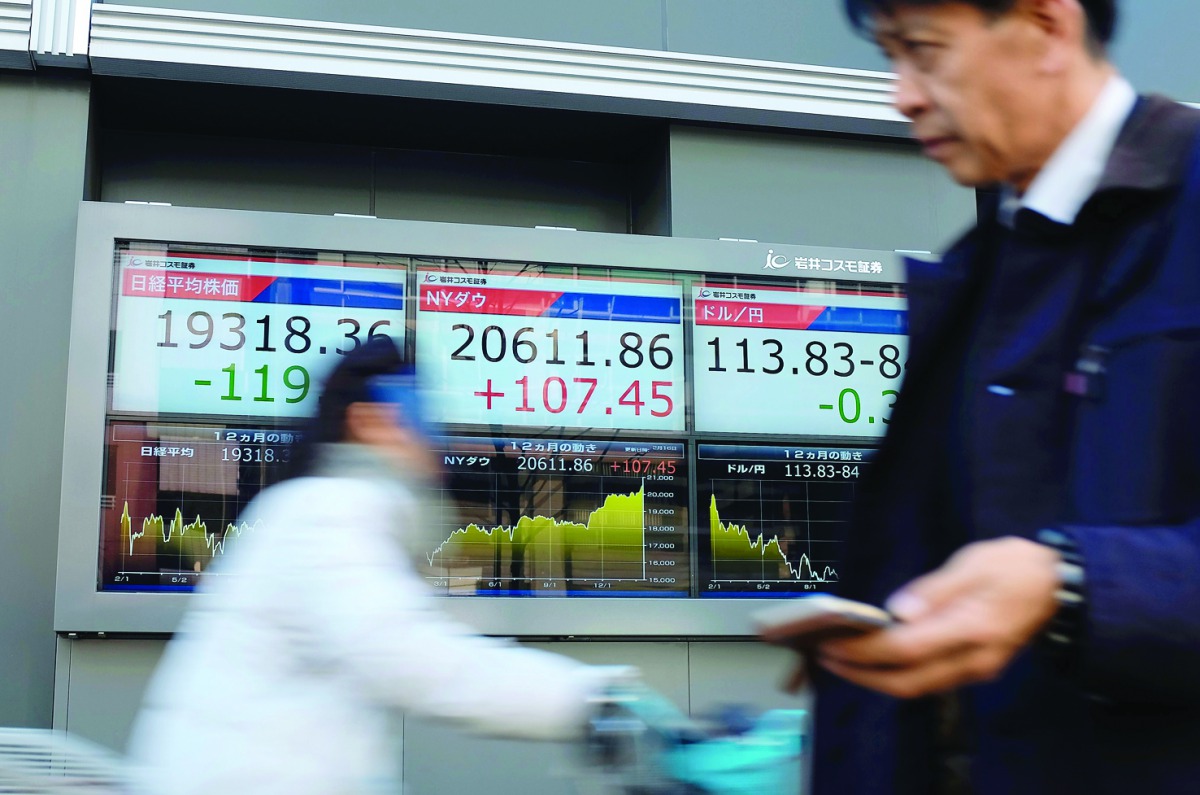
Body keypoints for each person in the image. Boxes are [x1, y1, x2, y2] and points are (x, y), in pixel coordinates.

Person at [797, 1, 1200, 793]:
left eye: (924, 51)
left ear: (1047, 27)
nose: (902, 95)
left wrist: (1071, 582)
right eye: (890, 57)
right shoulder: (976, 278)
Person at [126, 336, 637, 795]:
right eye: (415, 415)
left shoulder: (324, 511)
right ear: (366, 421)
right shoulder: (328, 512)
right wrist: (588, 701)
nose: (433, 439)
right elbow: (411, 657)